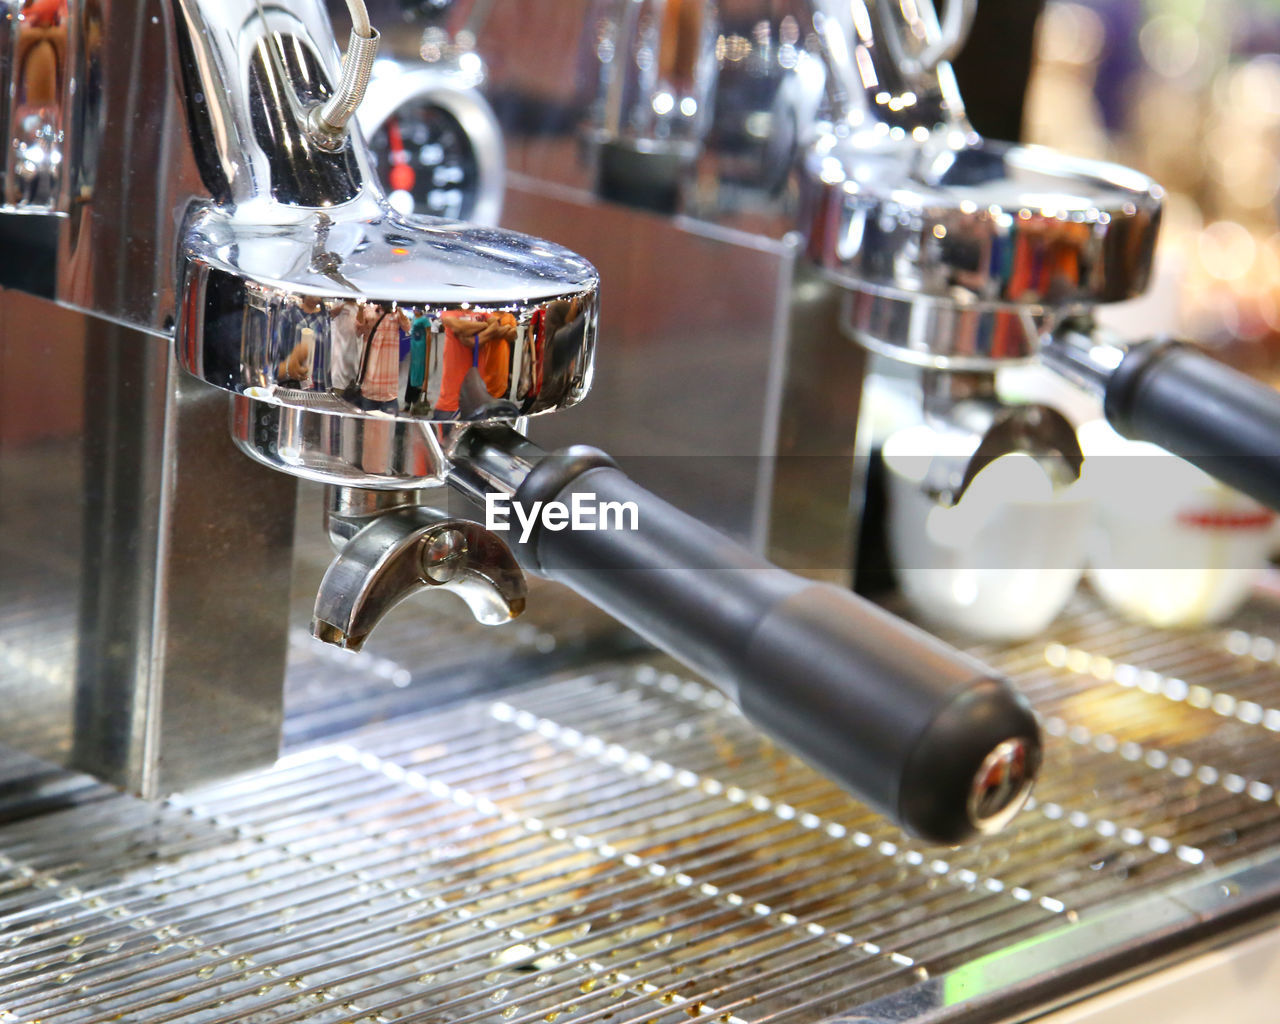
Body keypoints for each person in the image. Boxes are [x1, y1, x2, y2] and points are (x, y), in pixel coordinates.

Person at [275, 295, 330, 390]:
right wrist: (287, 366)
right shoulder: (287, 316)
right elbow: (274, 357)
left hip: (318, 388)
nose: (315, 296)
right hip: (290, 387)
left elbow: (328, 358)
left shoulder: (325, 320)